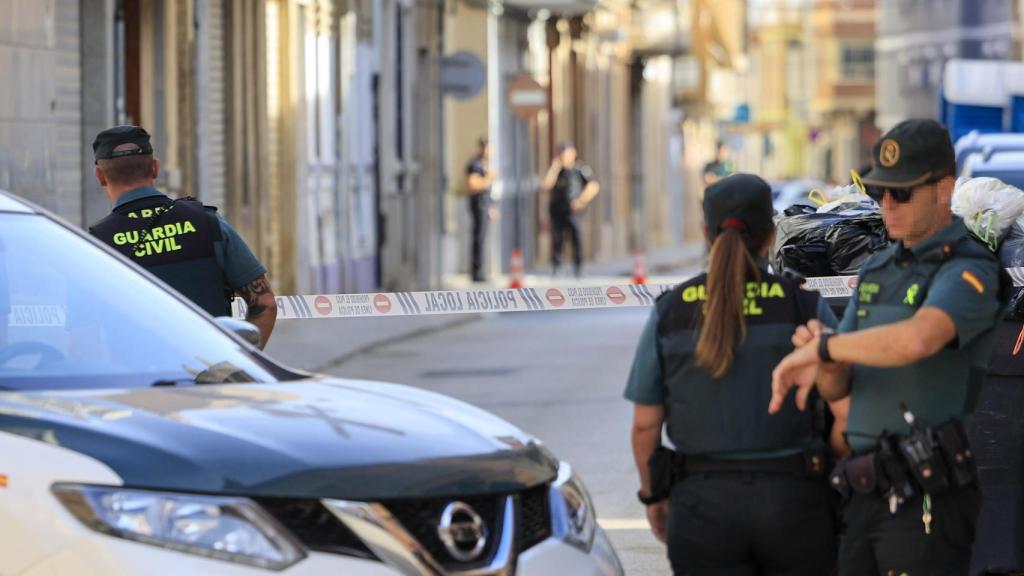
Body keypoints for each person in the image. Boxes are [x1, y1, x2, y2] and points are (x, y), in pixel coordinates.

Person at [770, 119, 1009, 575]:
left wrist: (827, 349)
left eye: (901, 193)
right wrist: (824, 356)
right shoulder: (879, 268)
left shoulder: (970, 268)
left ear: (945, 190)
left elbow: (919, 338)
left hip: (927, 494)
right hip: (862, 490)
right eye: (880, 192)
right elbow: (843, 389)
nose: (886, 205)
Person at [626, 173, 840, 575]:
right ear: (772, 233)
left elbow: (644, 426)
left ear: (706, 233)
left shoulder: (672, 311)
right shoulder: (802, 304)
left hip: (701, 511)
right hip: (794, 503)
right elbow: (845, 402)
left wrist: (653, 496)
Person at [88, 125, 278, 348]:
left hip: (138, 378)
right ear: (155, 168)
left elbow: (85, 332)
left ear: (100, 176)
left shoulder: (96, 243)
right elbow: (265, 303)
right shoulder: (208, 223)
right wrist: (237, 366)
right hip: (209, 375)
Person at [542, 143, 599, 278]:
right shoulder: (557, 171)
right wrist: (554, 168)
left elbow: (593, 185)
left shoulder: (580, 169)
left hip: (573, 211)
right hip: (557, 209)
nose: (564, 157)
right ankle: (557, 266)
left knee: (576, 238)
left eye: (566, 154)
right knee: (558, 239)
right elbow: (546, 186)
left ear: (573, 154)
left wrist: (581, 200)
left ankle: (578, 267)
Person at [465, 138, 498, 283]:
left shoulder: (485, 165)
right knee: (478, 238)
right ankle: (476, 271)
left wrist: (491, 207)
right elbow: (472, 184)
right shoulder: (475, 164)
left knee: (482, 239)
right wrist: (488, 179)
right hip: (478, 206)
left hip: (484, 206)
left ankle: (480, 270)